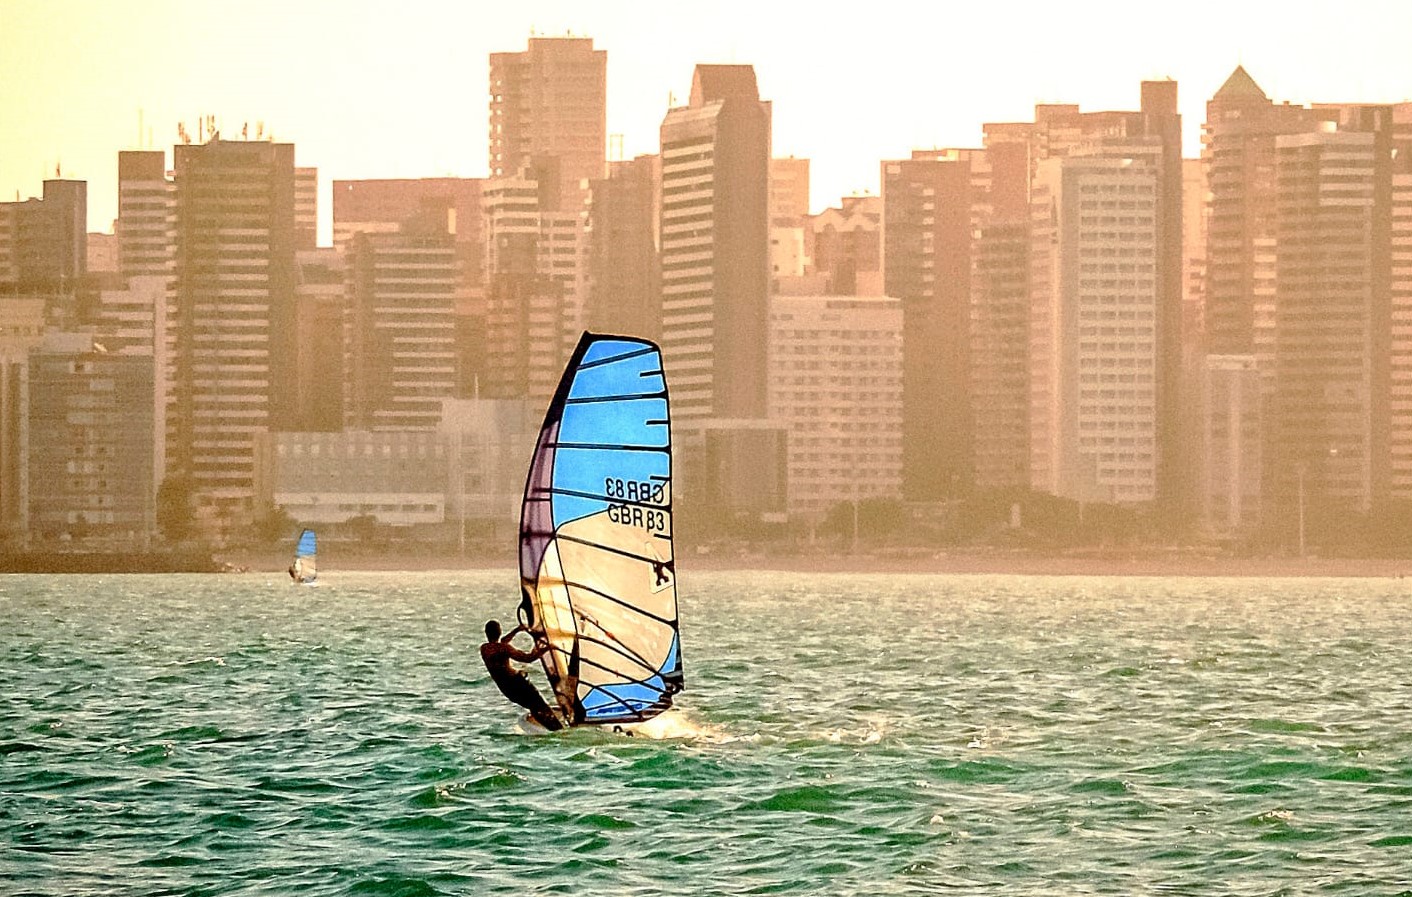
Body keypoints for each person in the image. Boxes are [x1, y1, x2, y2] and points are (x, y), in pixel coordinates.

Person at [480, 620, 563, 731]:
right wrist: (546, 648)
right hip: (518, 684)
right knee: (540, 706)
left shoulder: (484, 649)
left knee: (534, 707)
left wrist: (517, 630)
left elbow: (502, 642)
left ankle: (552, 727)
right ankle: (558, 729)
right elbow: (527, 658)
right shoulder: (504, 648)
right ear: (499, 631)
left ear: (486, 633)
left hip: (506, 689)